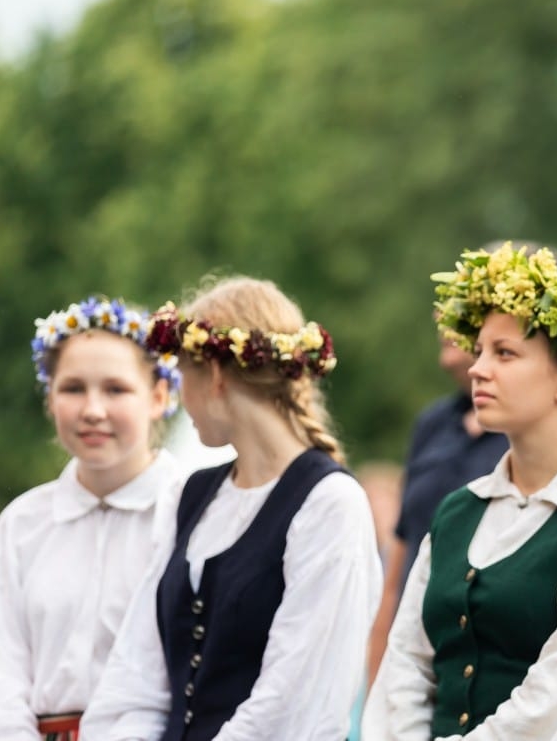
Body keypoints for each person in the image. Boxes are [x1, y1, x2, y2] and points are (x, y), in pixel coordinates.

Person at [362, 244, 557, 740]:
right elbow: (405, 664)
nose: (477, 369)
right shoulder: (458, 510)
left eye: (504, 353)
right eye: (479, 352)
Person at [81, 276, 382, 741]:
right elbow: (135, 675)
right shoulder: (193, 496)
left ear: (216, 376)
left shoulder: (329, 504)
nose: (184, 400)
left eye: (184, 377)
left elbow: (295, 704)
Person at [0, 296, 183, 741]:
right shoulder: (23, 523)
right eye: (73, 388)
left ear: (158, 397)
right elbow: (3, 664)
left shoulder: (188, 513)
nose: (93, 410)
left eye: (116, 389)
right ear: (50, 398)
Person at [365, 326, 508, 683]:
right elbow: (400, 551)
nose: (439, 318)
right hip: (411, 655)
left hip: (484, 659)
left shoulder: (527, 431)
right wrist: (379, 667)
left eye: (459, 308)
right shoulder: (433, 423)